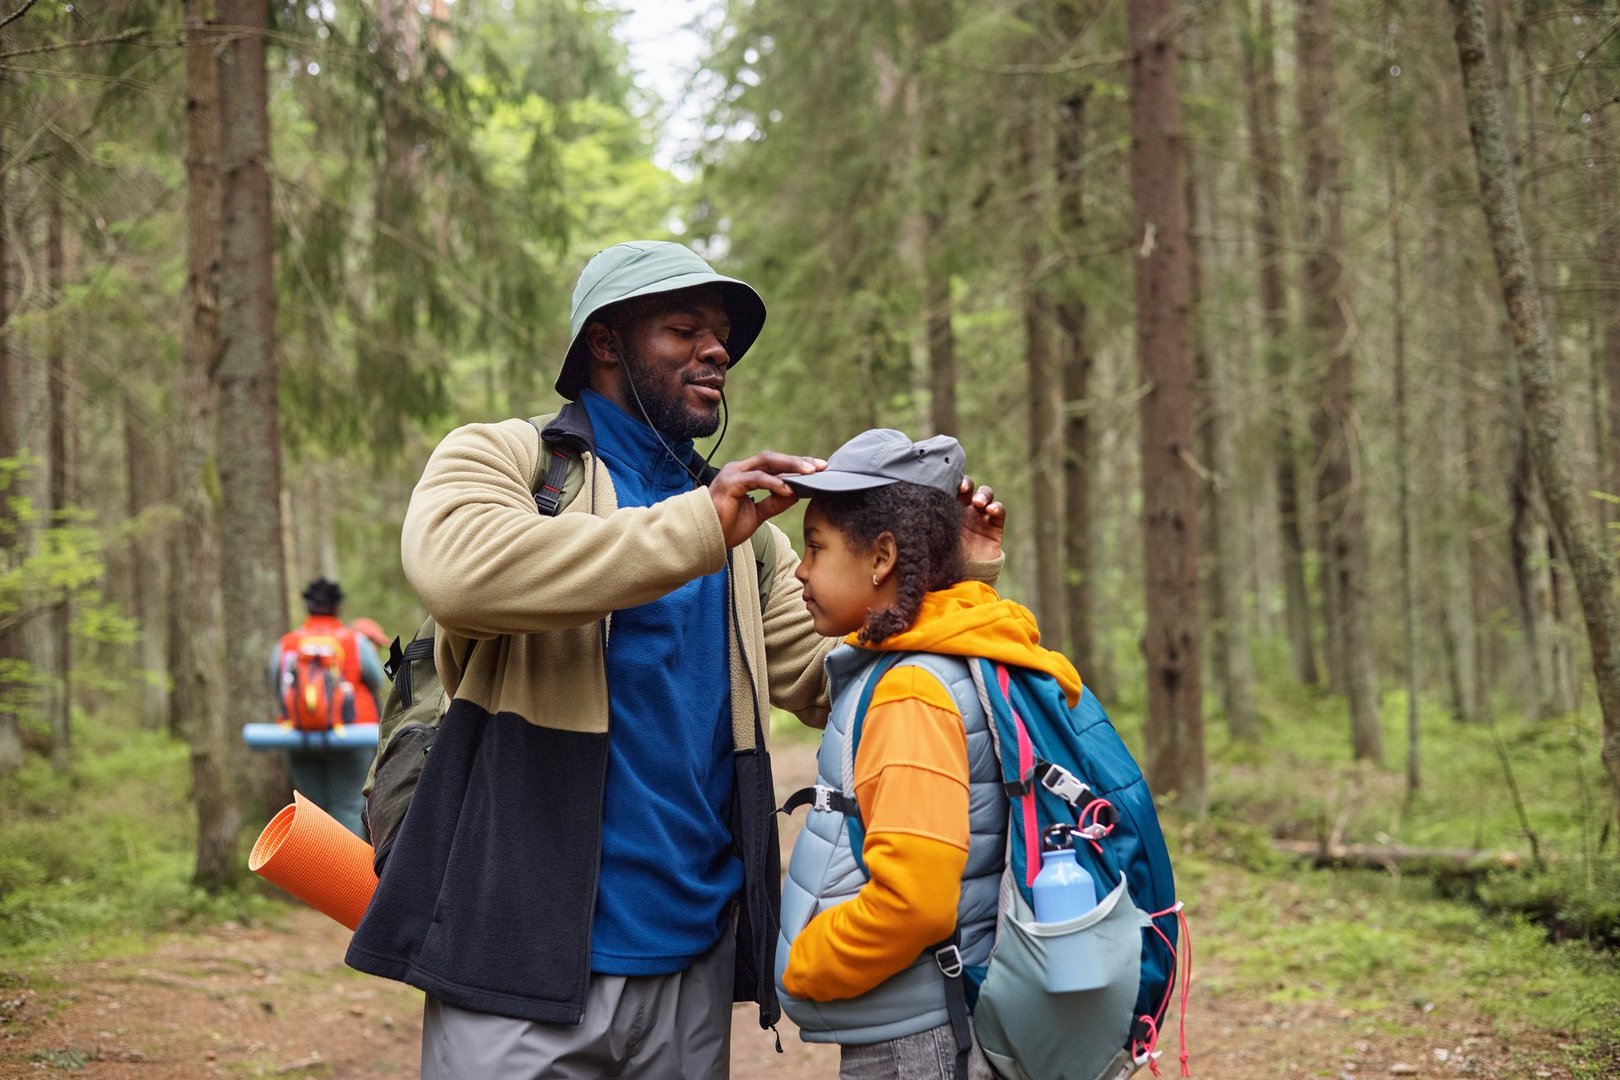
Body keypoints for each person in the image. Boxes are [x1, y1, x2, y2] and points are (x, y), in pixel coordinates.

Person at [343, 240, 1006, 1079]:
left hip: (693, 957)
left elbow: (836, 687)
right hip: (515, 952)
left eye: (721, 335)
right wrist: (699, 525)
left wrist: (946, 576)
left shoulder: (747, 540)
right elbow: (458, 573)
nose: (717, 350)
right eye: (684, 329)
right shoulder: (510, 460)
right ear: (606, 342)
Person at [774, 428, 1082, 1080]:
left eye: (816, 548)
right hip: (936, 1014)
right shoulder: (954, 646)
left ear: (882, 557)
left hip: (917, 1038)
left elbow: (914, 903)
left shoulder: (911, 687)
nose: (800, 569)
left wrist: (807, 961)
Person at [270, 577, 384, 838]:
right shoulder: (355, 641)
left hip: (299, 736)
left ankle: (314, 876)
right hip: (351, 735)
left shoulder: (287, 643)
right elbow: (375, 680)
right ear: (337, 607)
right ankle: (347, 878)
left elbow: (277, 686)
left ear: (308, 606)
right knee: (347, 808)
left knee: (311, 812)